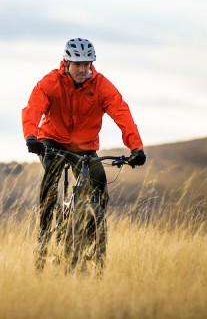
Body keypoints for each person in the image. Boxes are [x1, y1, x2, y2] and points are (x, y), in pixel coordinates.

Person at [21, 37, 146, 269]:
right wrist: (31, 137)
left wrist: (136, 148)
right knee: (51, 179)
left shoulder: (101, 86)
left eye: (87, 64)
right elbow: (33, 108)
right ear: (66, 63)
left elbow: (122, 114)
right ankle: (44, 233)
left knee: (99, 187)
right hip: (52, 141)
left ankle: (89, 234)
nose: (82, 69)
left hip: (85, 146)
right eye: (77, 64)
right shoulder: (51, 82)